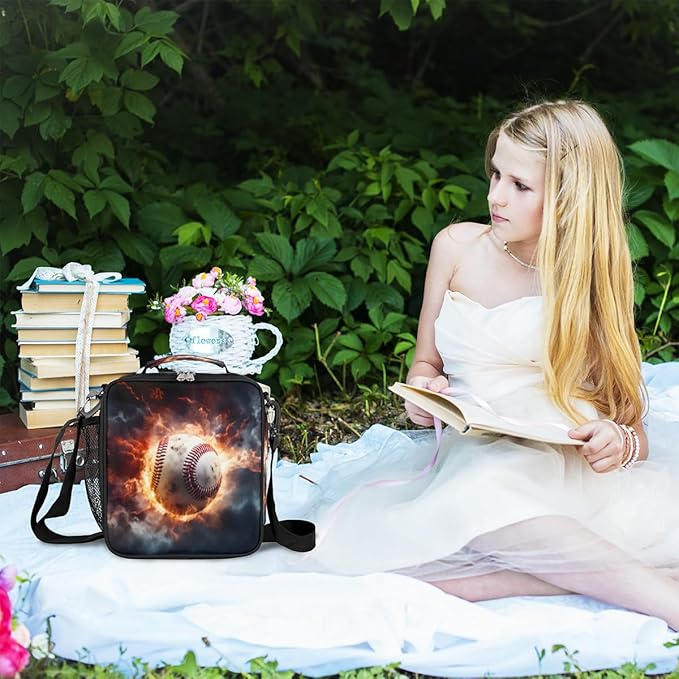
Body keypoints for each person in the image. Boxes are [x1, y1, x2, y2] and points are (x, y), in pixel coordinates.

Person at [306, 100, 679, 631]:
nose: (496, 196)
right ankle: (546, 577)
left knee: (471, 517)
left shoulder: (590, 283)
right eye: (496, 174)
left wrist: (617, 441)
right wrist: (424, 394)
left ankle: (664, 602)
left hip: (559, 460)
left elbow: (631, 424)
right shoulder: (456, 248)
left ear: (570, 198)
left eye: (520, 186)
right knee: (407, 543)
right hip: (477, 449)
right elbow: (425, 363)